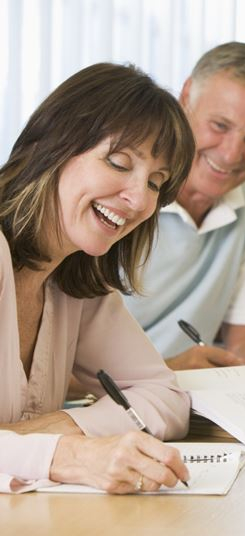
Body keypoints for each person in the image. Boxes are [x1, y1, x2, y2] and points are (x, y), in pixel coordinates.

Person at [0, 63, 195, 494]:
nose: (139, 198)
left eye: (156, 183)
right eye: (119, 162)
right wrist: (66, 454)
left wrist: (66, 424)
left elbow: (165, 396)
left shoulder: (75, 277)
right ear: (52, 146)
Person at [123, 42, 245, 370]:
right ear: (185, 97)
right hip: (95, 402)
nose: (231, 155)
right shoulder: (126, 184)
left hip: (178, 400)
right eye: (220, 126)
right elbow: (56, 360)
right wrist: (167, 370)